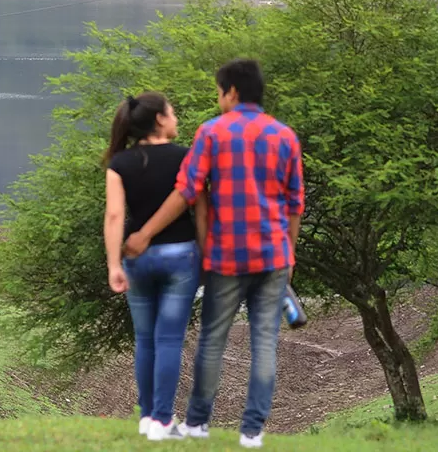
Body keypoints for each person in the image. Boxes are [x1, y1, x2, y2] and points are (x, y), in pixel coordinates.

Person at [124, 59, 303, 449]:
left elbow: (187, 191)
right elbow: (294, 205)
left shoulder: (212, 133)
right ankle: (252, 432)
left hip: (226, 257)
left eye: (219, 92)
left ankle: (198, 424)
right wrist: (289, 255)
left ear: (232, 93)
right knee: (265, 343)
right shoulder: (285, 136)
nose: (218, 98)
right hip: (274, 256)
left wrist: (145, 232)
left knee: (212, 341)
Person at [103, 91, 200, 442]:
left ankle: (147, 418)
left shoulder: (120, 164)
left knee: (144, 339)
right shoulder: (186, 158)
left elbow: (114, 215)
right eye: (172, 112)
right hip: (180, 256)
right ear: (160, 119)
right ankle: (162, 420)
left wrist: (114, 263)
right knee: (169, 338)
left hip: (136, 259)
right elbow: (197, 206)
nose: (176, 118)